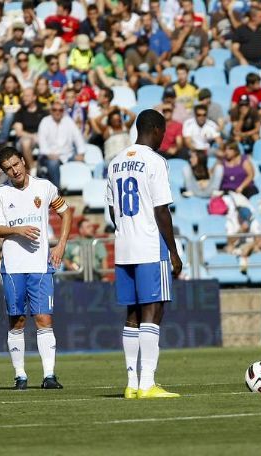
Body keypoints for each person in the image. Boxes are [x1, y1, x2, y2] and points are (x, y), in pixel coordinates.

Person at [106, 109, 182, 399]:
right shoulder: (155, 161)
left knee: (132, 314)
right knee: (153, 310)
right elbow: (162, 209)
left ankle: (131, 384)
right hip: (150, 245)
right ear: (157, 129)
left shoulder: (115, 163)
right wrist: (173, 251)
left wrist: (127, 228)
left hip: (124, 246)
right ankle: (148, 383)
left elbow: (114, 209)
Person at [0, 146, 72, 390]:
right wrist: (17, 230)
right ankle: (20, 375)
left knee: (44, 318)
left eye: (16, 164)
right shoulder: (1, 194)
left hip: (40, 264)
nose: (14, 171)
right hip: (14, 267)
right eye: (8, 169)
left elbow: (65, 212)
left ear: (24, 161)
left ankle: (49, 375)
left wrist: (61, 245)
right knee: (17, 321)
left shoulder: (44, 187)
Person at [37, 99, 86, 187]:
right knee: (53, 163)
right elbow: (42, 141)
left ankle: (79, 188)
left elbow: (78, 137)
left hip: (68, 155)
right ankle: (57, 191)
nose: (57, 112)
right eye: (55, 110)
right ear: (51, 111)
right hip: (50, 156)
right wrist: (49, 154)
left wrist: (81, 153)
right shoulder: (45, 121)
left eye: (60, 110)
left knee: (82, 160)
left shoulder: (68, 121)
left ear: (63, 111)